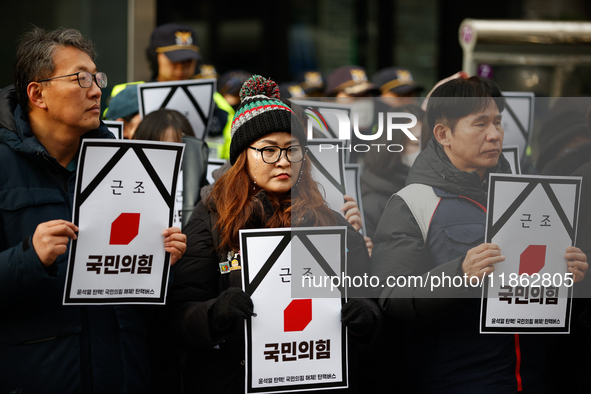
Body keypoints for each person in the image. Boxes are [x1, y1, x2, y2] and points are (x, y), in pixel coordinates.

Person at [371, 76, 588, 393]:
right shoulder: (413, 201)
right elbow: (392, 298)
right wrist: (460, 274)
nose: (495, 135)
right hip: (457, 382)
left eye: (498, 122)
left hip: (531, 378)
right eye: (480, 124)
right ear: (443, 134)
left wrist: (569, 274)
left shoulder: (528, 196)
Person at [0, 27, 186, 393]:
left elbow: (153, 308)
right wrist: (29, 257)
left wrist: (164, 266)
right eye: (80, 78)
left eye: (96, 77)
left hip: (123, 374)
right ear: (38, 94)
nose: (97, 89)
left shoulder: (127, 164)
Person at [167, 75, 381, 393]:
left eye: (292, 150)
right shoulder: (210, 219)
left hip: (316, 381)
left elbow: (369, 298)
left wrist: (366, 315)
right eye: (268, 150)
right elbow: (180, 314)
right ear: (243, 156)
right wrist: (215, 314)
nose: (282, 161)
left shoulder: (331, 222)